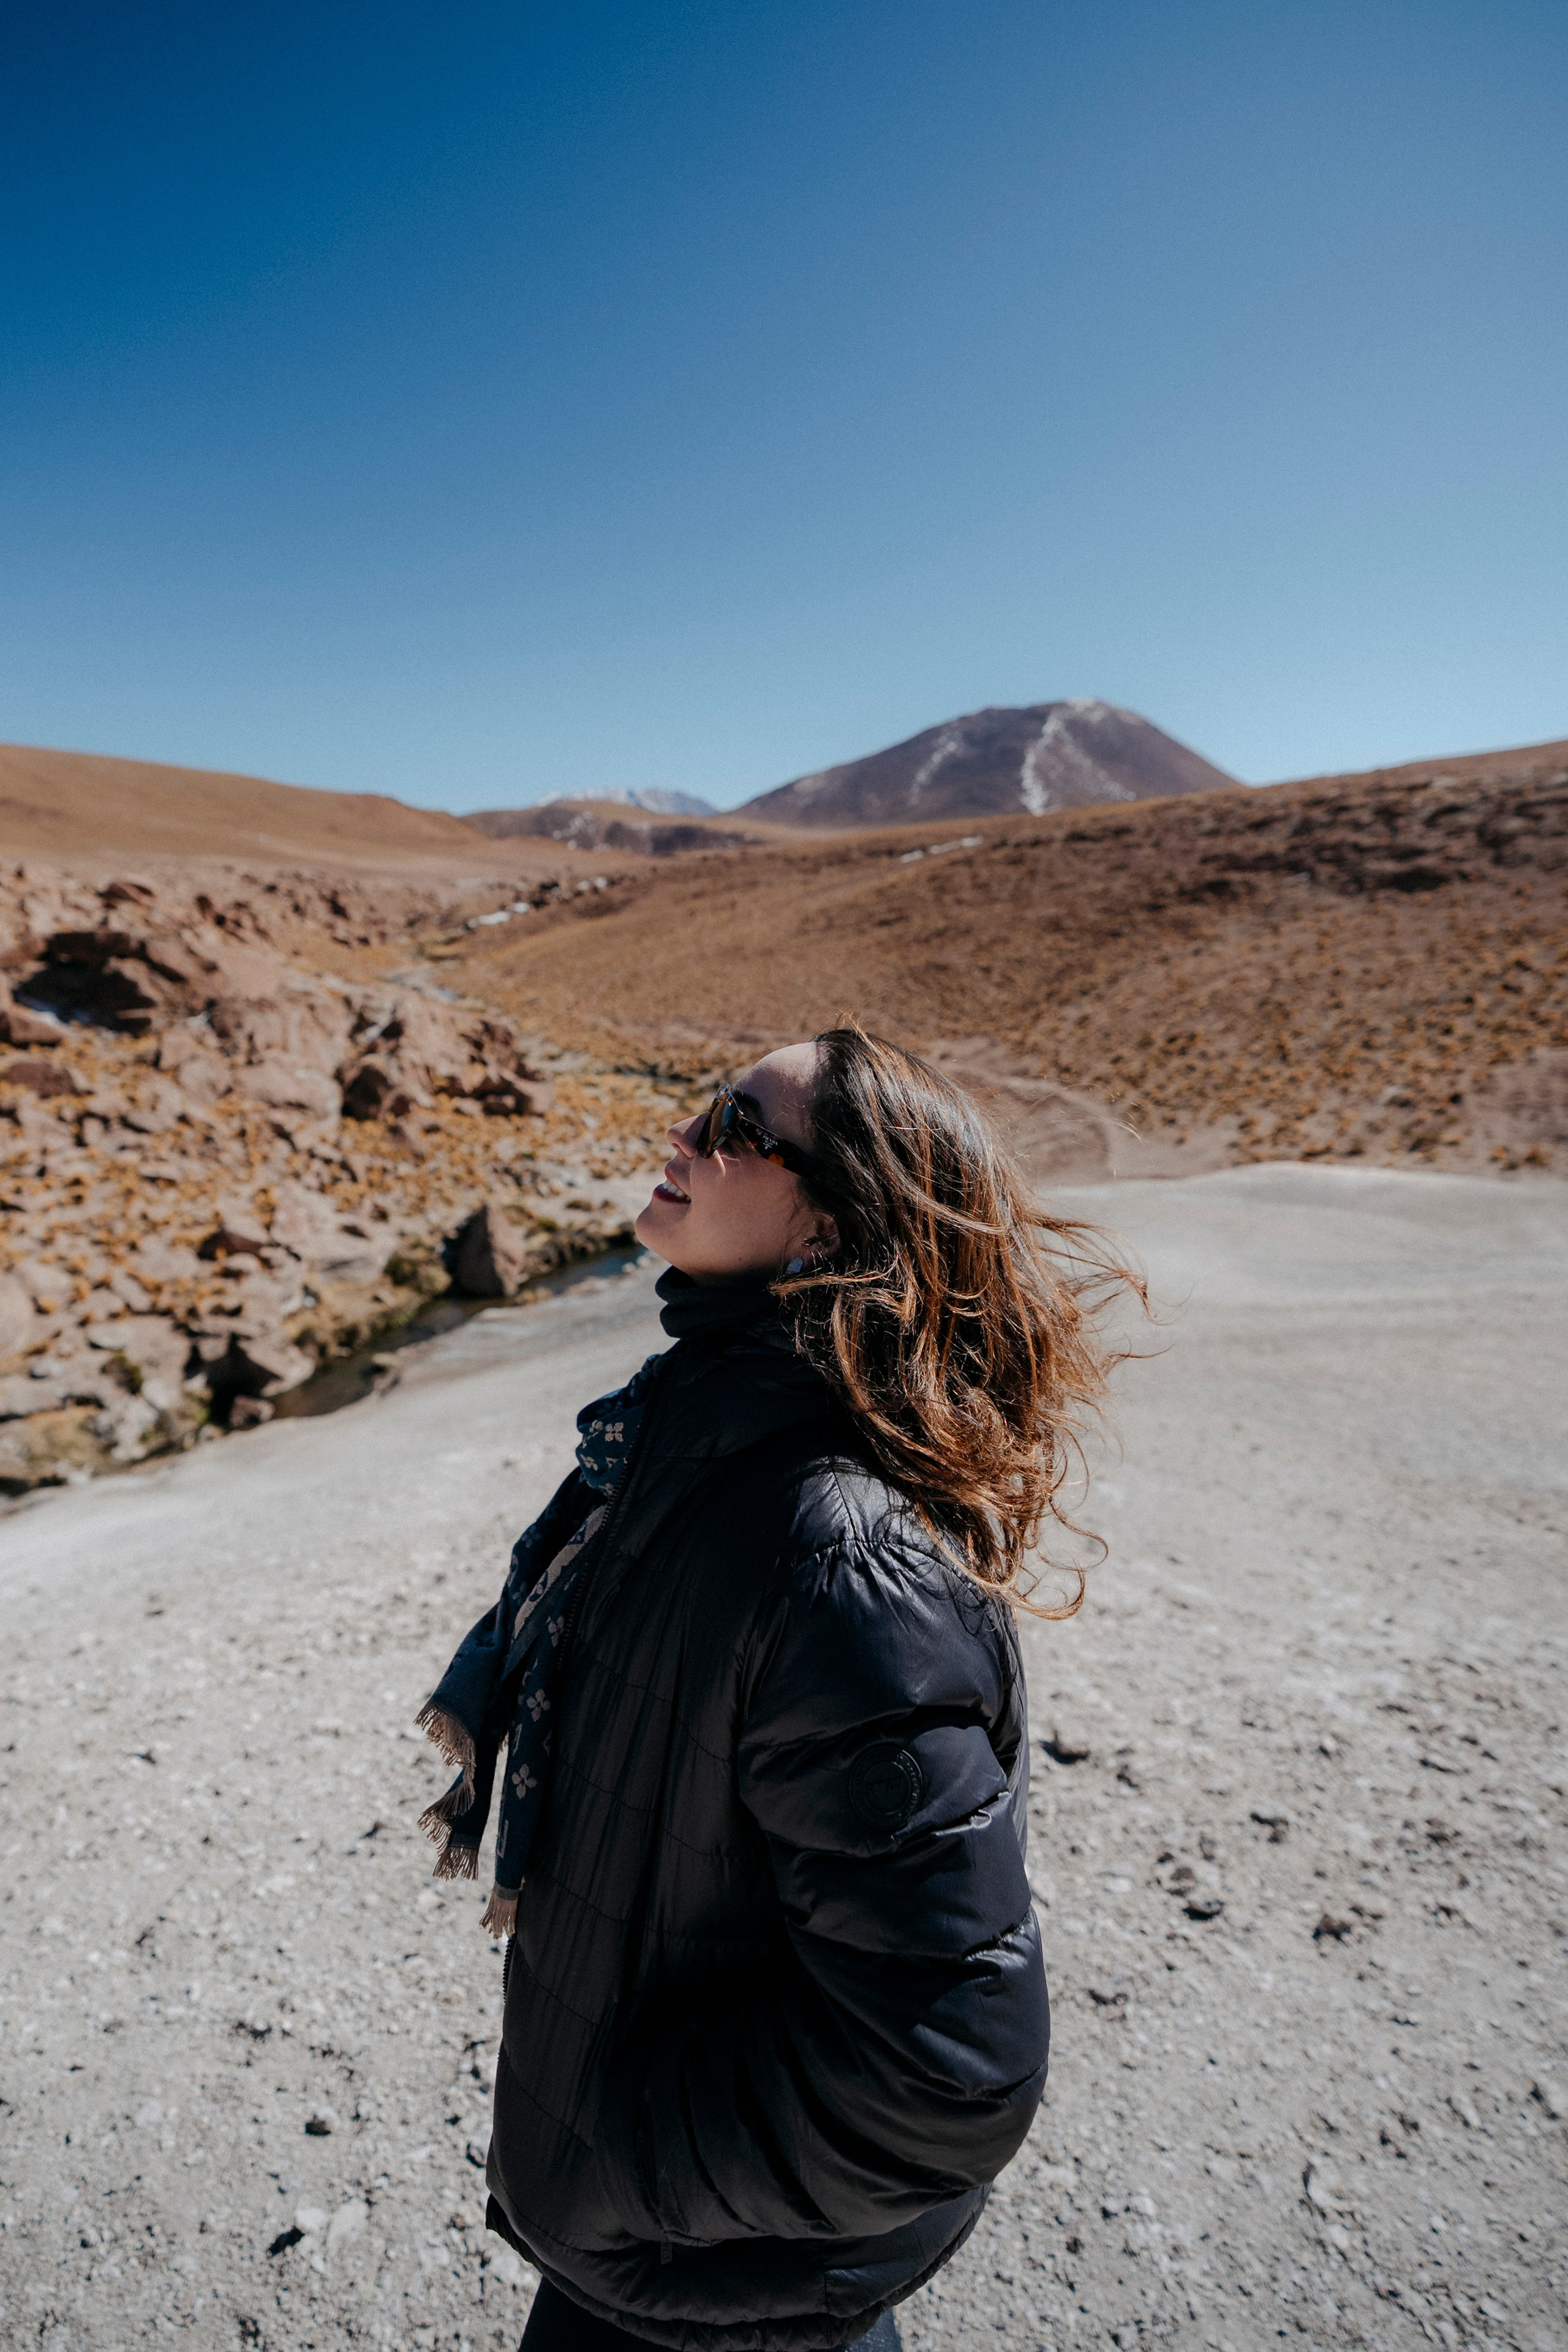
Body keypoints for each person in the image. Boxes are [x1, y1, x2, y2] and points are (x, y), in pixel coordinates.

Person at [418, 1025, 1131, 2350]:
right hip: (656, 2270)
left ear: (826, 1232)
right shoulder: (688, 1436)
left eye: (738, 1128)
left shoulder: (837, 1559)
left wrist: (618, 2162)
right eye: (703, 1107)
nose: (685, 1139)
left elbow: (944, 2070)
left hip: (709, 2291)